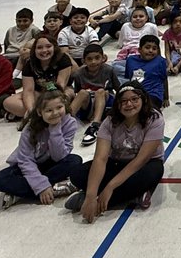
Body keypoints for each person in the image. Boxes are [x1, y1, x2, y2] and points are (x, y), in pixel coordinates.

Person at [66, 85, 165, 221]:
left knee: (152, 173)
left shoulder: (154, 119)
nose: (129, 104)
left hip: (144, 165)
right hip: (118, 163)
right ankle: (133, 196)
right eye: (123, 101)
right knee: (77, 174)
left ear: (143, 100)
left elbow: (141, 159)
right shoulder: (109, 122)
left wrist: (109, 187)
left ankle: (99, 200)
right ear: (117, 104)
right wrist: (91, 195)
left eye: (134, 99)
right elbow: (100, 159)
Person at [0, 90, 83, 209]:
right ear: (40, 112)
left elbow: (59, 156)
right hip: (30, 165)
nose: (55, 113)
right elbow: (25, 161)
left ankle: (20, 193)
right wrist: (41, 186)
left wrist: (55, 130)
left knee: (74, 160)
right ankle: (54, 189)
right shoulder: (30, 129)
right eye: (49, 110)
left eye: (59, 107)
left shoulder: (70, 123)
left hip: (52, 162)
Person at [76, 44, 121, 146]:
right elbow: (78, 92)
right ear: (84, 61)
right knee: (82, 93)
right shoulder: (79, 73)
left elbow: (118, 89)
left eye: (97, 58)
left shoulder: (108, 70)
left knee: (101, 91)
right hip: (89, 105)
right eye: (89, 59)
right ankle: (63, 121)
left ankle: (95, 126)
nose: (93, 62)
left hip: (105, 102)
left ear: (103, 58)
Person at [125, 35, 168, 107]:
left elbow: (164, 79)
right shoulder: (130, 60)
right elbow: (129, 78)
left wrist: (166, 98)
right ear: (140, 50)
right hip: (135, 94)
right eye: (147, 47)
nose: (151, 51)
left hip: (153, 94)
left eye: (154, 49)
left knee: (144, 108)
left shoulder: (160, 61)